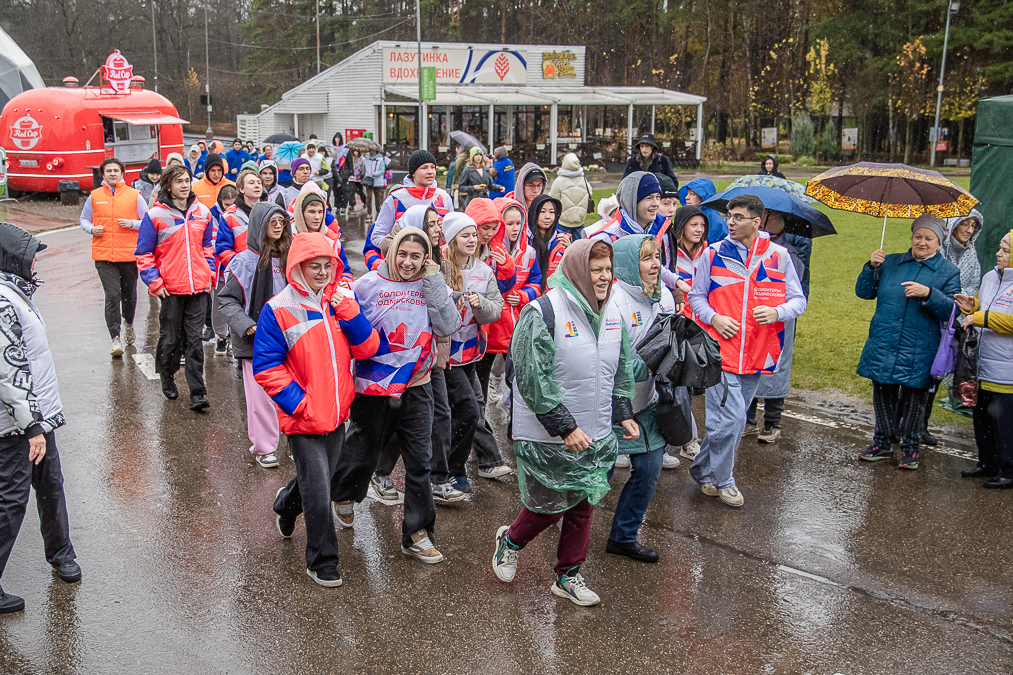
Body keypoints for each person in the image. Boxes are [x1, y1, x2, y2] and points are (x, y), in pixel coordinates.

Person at [491, 240, 639, 607]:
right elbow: (532, 377)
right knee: (549, 503)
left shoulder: (612, 313)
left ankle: (568, 574)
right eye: (595, 269)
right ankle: (511, 541)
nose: (603, 277)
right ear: (576, 270)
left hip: (595, 430)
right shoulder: (543, 311)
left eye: (607, 269)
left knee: (583, 502)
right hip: (549, 433)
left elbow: (618, 369)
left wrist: (622, 411)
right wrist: (564, 426)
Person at [330, 226, 461, 564]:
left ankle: (417, 533)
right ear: (392, 253)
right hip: (374, 388)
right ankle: (342, 493)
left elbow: (448, 326)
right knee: (363, 451)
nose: (407, 262)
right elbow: (342, 320)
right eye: (402, 254)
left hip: (417, 386)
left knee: (420, 461)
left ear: (426, 258)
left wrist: (433, 281)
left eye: (416, 256)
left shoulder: (432, 285)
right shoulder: (367, 284)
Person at [256, 233, 380, 587]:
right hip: (303, 418)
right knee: (319, 489)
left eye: (328, 265)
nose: (323, 272)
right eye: (315, 266)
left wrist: (350, 313)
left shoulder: (339, 301)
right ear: (298, 268)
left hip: (337, 415)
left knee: (316, 480)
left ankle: (285, 505)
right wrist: (300, 404)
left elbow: (368, 348)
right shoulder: (278, 309)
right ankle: (322, 560)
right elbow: (267, 366)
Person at [688, 194, 806, 507]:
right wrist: (714, 318)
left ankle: (701, 469)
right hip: (720, 352)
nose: (731, 222)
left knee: (733, 421)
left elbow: (799, 301)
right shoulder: (713, 253)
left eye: (738, 217)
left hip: (758, 353)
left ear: (757, 221)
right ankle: (724, 480)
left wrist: (777, 312)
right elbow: (696, 297)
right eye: (729, 216)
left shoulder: (779, 256)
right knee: (731, 421)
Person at [0, 223, 81, 615]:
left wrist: (40, 421)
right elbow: (8, 370)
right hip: (19, 425)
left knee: (50, 486)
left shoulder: (16, 291)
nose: (35, 262)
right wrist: (31, 425)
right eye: (30, 255)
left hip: (37, 418)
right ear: (12, 258)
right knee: (11, 501)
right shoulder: (3, 301)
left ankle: (61, 553)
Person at [373, 205, 467, 504]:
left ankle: (437, 479)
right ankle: (379, 472)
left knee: (438, 414)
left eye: (438, 223)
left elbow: (446, 317)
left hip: (433, 352)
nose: (438, 229)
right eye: (431, 224)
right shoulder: (391, 271)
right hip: (401, 360)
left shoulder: (441, 261)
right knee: (399, 418)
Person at [855, 214, 960, 470]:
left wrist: (929, 294)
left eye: (929, 238)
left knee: (915, 398)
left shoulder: (949, 272)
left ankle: (911, 448)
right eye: (918, 236)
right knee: (883, 392)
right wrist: (871, 267)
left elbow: (952, 312)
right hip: (884, 340)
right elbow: (864, 292)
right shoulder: (890, 262)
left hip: (921, 345)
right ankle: (882, 442)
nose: (922, 242)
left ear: (939, 243)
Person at [606, 235, 679, 562]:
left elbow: (670, 342)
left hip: (648, 404)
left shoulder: (664, 297)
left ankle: (623, 537)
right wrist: (649, 365)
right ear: (627, 264)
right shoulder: (613, 302)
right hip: (612, 407)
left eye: (657, 257)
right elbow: (611, 362)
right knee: (597, 480)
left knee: (649, 470)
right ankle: (561, 522)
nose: (655, 265)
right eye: (646, 258)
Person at [441, 210, 512, 489]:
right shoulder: (440, 268)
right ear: (452, 239)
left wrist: (481, 305)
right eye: (465, 236)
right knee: (468, 409)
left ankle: (460, 466)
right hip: (445, 355)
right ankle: (453, 470)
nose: (472, 240)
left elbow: (496, 308)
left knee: (470, 409)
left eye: (474, 235)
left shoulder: (484, 270)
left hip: (471, 353)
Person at [136, 165, 216, 411]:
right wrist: (155, 282)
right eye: (178, 181)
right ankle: (167, 374)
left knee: (195, 340)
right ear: (168, 185)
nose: (184, 185)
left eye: (187, 180)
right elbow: (144, 254)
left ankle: (197, 393)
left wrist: (210, 272)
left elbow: (207, 247)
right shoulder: (154, 215)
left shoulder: (203, 212)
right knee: (171, 338)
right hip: (170, 289)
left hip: (198, 288)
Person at [218, 202, 291, 469]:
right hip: (256, 341)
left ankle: (296, 441)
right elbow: (227, 300)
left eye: (282, 222)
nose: (278, 226)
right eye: (273, 222)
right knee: (260, 398)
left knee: (292, 392)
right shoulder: (244, 261)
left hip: (290, 338)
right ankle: (265, 447)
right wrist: (247, 325)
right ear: (260, 224)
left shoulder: (291, 258)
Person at [955, 231, 1013, 489]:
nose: (999, 253)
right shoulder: (990, 277)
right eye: (1000, 248)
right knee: (983, 421)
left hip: (1007, 373)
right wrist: (973, 306)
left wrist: (981, 317)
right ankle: (987, 462)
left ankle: (1008, 470)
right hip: (983, 366)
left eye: (1006, 250)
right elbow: (984, 306)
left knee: (1006, 426)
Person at [744, 209, 808, 444]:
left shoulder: (787, 254)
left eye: (769, 218)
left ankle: (773, 422)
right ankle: (748, 420)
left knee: (776, 368)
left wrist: (777, 309)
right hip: (753, 317)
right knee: (750, 365)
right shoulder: (748, 249)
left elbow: (796, 292)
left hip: (778, 319)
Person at [79, 158, 148, 357]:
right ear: (103, 174)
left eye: (115, 170)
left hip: (128, 255)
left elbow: (148, 220)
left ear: (122, 173)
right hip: (104, 255)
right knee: (112, 295)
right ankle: (115, 338)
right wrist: (91, 229)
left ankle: (129, 324)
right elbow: (83, 219)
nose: (112, 174)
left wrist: (132, 224)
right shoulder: (94, 196)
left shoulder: (134, 196)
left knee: (129, 295)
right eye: (108, 171)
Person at [660, 205, 709, 462]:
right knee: (672, 385)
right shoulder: (668, 252)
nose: (699, 230)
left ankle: (687, 440)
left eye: (702, 225)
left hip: (699, 327)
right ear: (681, 227)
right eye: (693, 225)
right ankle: (680, 441)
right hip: (674, 325)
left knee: (687, 385)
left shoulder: (708, 252)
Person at [363, 150, 453, 271]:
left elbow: (453, 237)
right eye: (424, 167)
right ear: (413, 172)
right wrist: (403, 249)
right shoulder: (395, 199)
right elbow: (376, 236)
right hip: (405, 269)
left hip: (437, 267)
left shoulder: (444, 197)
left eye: (433, 167)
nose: (430, 171)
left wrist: (444, 232)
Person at [935, 209, 984, 421]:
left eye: (973, 226)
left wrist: (962, 299)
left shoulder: (971, 253)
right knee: (925, 374)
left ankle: (920, 427)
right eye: (965, 224)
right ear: (954, 224)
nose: (969, 230)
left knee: (941, 370)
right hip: (935, 316)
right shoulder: (939, 249)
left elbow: (974, 283)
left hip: (956, 321)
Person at [215, 169, 263, 353]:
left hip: (266, 272)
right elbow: (223, 249)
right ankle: (241, 353)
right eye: (251, 182)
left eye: (258, 182)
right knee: (243, 313)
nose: (257, 185)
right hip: (242, 275)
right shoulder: (230, 216)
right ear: (241, 189)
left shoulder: (269, 211)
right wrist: (241, 264)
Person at [290, 182, 353, 287]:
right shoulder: (287, 239)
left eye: (320, 212)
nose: (317, 217)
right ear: (300, 213)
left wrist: (345, 282)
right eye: (312, 212)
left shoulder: (332, 240)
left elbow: (345, 270)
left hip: (328, 294)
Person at [583, 171, 665, 245]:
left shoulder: (663, 230)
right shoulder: (605, 239)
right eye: (648, 198)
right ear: (631, 202)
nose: (656, 204)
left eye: (657, 197)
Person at [549, 152, 593, 241]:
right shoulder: (583, 179)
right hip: (579, 219)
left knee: (562, 243)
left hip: (564, 220)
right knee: (579, 244)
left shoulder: (559, 181)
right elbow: (590, 193)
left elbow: (553, 198)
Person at [528, 194, 567, 293]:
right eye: (542, 211)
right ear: (533, 213)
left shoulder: (562, 241)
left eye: (552, 212)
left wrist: (570, 250)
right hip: (529, 295)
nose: (548, 217)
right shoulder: (524, 240)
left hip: (554, 295)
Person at [679, 177, 728, 243]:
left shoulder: (714, 219)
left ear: (703, 197)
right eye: (687, 194)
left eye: (692, 194)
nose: (686, 197)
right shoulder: (689, 214)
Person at [361, 147, 389, 223]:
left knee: (378, 198)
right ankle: (369, 213)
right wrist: (361, 165)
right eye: (371, 150)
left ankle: (378, 212)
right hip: (369, 181)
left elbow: (382, 170)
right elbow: (363, 170)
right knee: (368, 198)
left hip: (378, 182)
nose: (372, 152)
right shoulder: (366, 160)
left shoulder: (380, 160)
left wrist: (375, 174)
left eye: (374, 150)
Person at [344, 148, 366, 216]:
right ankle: (352, 204)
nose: (355, 152)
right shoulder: (350, 158)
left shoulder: (362, 159)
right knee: (351, 191)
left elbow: (364, 168)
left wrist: (362, 166)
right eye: (354, 151)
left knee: (360, 191)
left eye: (357, 151)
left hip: (359, 178)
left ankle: (365, 201)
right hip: (352, 177)